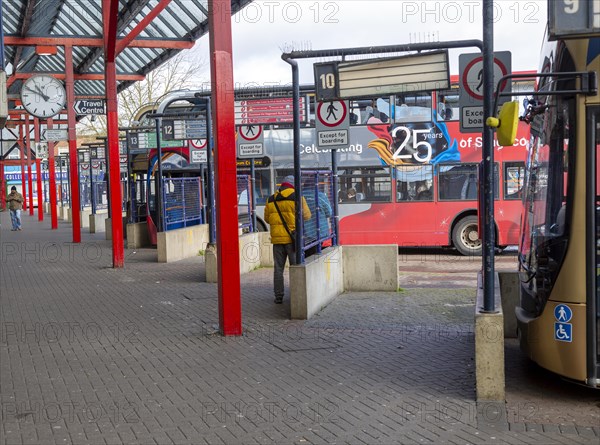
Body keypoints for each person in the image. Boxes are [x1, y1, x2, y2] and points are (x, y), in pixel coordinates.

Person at [264, 175, 311, 304]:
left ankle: (278, 296)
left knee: (278, 269)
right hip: (293, 240)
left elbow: (267, 219)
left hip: (277, 240)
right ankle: (296, 294)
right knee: (295, 267)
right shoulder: (298, 197)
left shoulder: (271, 199)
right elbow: (307, 216)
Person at [303, 182, 333, 257]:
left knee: (306, 254)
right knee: (316, 253)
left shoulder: (299, 196)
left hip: (304, 232)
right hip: (318, 231)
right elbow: (329, 213)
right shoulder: (320, 196)